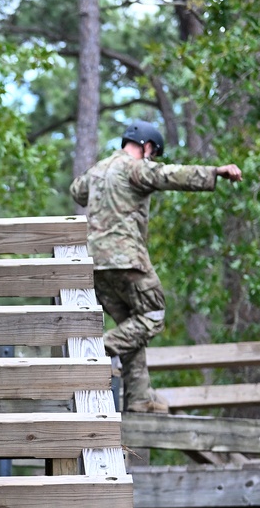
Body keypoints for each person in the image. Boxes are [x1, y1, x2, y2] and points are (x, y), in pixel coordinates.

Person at [69, 119, 243, 413]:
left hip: (95, 264)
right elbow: (169, 175)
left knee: (131, 329)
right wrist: (214, 172)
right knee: (153, 314)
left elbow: (77, 191)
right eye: (153, 153)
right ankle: (93, 352)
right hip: (125, 259)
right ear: (147, 147)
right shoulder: (135, 167)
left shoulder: (98, 170)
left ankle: (139, 398)